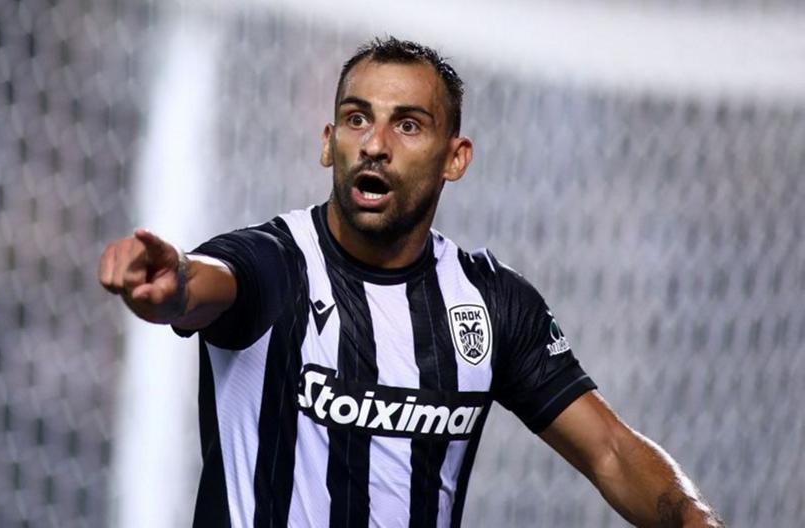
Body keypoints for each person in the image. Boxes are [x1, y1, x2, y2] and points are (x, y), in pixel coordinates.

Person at [99, 37, 723, 528]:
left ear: (455, 157)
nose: (374, 144)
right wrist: (173, 282)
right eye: (356, 119)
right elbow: (208, 284)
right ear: (328, 143)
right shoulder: (275, 262)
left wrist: (693, 518)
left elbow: (610, 451)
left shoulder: (491, 305)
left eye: (408, 125)